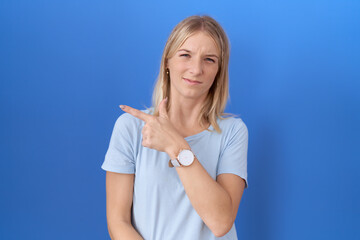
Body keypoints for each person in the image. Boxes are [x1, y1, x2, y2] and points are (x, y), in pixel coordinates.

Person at [101, 15, 248, 240]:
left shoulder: (233, 132)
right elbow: (118, 222)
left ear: (219, 70)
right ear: (167, 62)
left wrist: (176, 146)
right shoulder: (130, 128)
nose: (196, 69)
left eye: (209, 59)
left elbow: (221, 222)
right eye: (185, 55)